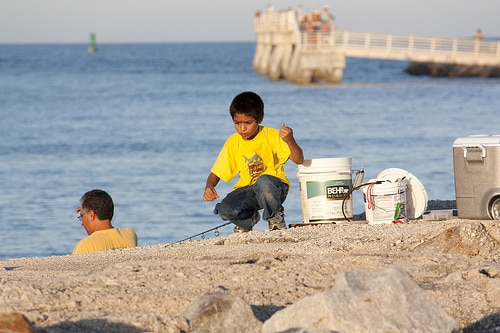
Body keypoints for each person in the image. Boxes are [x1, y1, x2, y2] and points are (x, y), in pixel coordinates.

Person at [203, 91, 304, 232]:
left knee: (263, 182)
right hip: (248, 191)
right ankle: (248, 220)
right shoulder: (233, 142)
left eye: (248, 123)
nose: (242, 128)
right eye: (237, 123)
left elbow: (299, 159)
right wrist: (209, 186)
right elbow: (216, 173)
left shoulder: (271, 135)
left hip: (274, 187)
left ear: (260, 119)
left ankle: (275, 219)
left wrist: (290, 140)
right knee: (224, 209)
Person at [72, 189, 137, 254]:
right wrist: (85, 211)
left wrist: (85, 210)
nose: (82, 224)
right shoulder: (129, 234)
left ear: (91, 215)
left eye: (81, 217)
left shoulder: (84, 246)